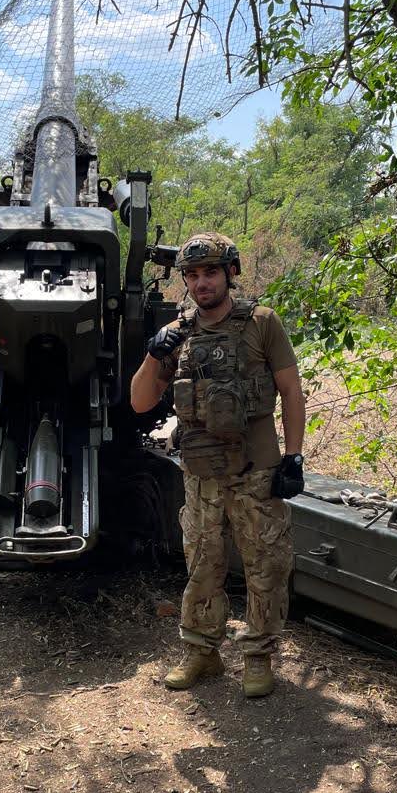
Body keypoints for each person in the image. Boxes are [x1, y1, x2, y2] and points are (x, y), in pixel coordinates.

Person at [130, 232, 306, 698]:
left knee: (264, 564)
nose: (201, 283)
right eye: (192, 275)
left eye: (210, 272)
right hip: (201, 474)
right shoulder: (178, 335)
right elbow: (140, 401)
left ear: (229, 273)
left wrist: (294, 456)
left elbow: (290, 390)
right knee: (202, 564)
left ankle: (257, 657)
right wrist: (154, 353)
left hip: (256, 471)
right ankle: (202, 653)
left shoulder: (262, 323)